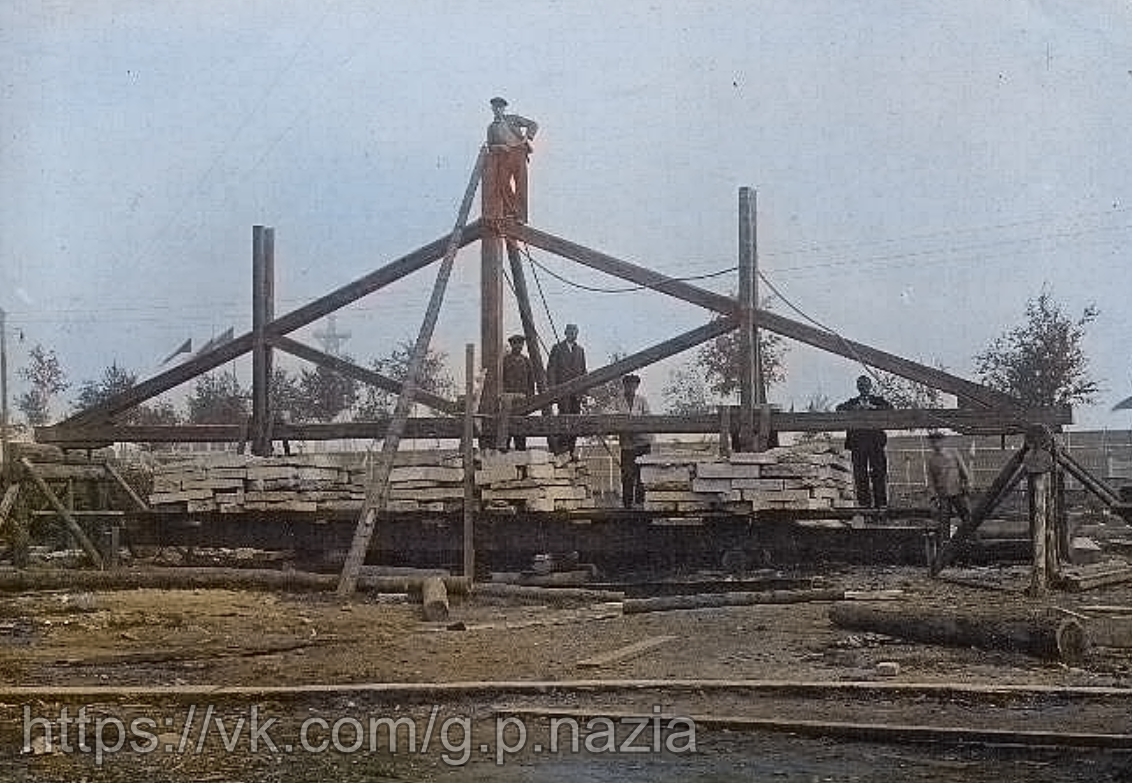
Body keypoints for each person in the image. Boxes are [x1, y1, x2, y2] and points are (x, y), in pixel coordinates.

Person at [836, 374, 893, 509]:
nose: (864, 388)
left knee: (879, 472)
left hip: (875, 442)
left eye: (866, 385)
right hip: (858, 443)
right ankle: (864, 505)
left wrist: (873, 408)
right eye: (861, 385)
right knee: (860, 474)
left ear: (870, 386)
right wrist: (855, 409)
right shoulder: (853, 402)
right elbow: (839, 408)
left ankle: (881, 505)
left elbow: (890, 408)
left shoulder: (878, 401)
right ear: (857, 387)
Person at [485, 96, 538, 223]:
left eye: (500, 107)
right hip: (505, 156)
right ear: (492, 109)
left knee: (521, 184)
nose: (498, 109)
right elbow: (490, 146)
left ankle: (521, 216)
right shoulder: (491, 128)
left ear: (504, 109)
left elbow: (533, 124)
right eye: (496, 107)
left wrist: (528, 137)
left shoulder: (513, 119)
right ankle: (511, 210)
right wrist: (500, 146)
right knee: (502, 183)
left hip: (519, 153)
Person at [611, 374, 652, 508]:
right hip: (627, 444)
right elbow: (609, 414)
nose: (631, 387)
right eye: (628, 384)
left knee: (642, 475)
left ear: (637, 386)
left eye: (634, 385)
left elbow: (648, 417)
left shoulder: (642, 400)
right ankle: (627, 504)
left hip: (642, 443)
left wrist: (636, 422)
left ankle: (640, 503)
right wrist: (622, 419)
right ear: (624, 386)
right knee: (627, 475)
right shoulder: (618, 401)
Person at [546, 323, 586, 456]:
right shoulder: (557, 348)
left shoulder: (580, 350)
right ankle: (562, 449)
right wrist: (553, 389)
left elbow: (583, 371)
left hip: (576, 393)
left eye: (575, 332)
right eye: (570, 332)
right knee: (564, 417)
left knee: (575, 419)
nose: (573, 334)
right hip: (562, 392)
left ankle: (571, 450)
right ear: (565, 333)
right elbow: (551, 369)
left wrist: (584, 391)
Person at [926, 430, 972, 538]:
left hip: (957, 492)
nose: (935, 444)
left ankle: (971, 536)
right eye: (933, 442)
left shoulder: (953, 453)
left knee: (966, 515)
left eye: (937, 441)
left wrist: (967, 484)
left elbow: (963, 470)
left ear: (942, 441)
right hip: (943, 495)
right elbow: (932, 480)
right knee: (944, 519)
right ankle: (945, 542)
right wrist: (933, 496)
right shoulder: (932, 460)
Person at [500, 334, 535, 451]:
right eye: (515, 344)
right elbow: (500, 378)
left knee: (521, 423)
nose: (518, 346)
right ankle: (504, 445)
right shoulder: (505, 361)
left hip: (522, 397)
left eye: (520, 344)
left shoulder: (526, 361)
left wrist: (530, 396)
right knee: (507, 421)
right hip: (508, 396)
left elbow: (531, 380)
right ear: (511, 345)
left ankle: (520, 448)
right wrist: (503, 393)